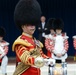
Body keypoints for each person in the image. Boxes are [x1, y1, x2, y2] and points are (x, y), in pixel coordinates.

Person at [12, 0, 55, 75]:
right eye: (29, 24)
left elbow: (40, 54)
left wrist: (48, 59)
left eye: (34, 24)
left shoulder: (36, 41)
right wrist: (41, 61)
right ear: (23, 26)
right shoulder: (20, 42)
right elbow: (25, 58)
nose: (33, 27)